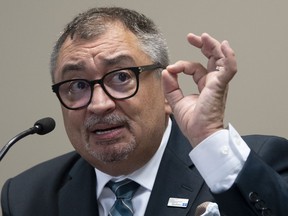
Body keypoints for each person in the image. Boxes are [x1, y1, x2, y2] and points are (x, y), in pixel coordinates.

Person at [1, 6, 288, 216]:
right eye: (77, 84)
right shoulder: (26, 196)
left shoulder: (255, 163)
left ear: (165, 87)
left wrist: (208, 136)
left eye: (122, 77)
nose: (99, 104)